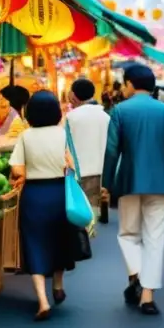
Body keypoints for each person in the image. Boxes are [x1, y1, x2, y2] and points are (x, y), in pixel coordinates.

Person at [103, 63, 164, 316]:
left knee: (128, 233)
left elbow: (111, 150)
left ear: (129, 84)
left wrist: (106, 183)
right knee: (155, 236)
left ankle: (136, 274)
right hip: (161, 183)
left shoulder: (120, 111)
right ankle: (147, 296)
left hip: (129, 180)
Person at [9, 90, 75, 321]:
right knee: (59, 238)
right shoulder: (62, 134)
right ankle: (57, 285)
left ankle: (42, 300)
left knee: (34, 243)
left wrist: (25, 172)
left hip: (34, 195)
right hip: (59, 193)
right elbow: (72, 165)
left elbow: (17, 169)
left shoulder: (26, 136)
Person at [64, 78, 110, 225]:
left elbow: (66, 144)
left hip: (79, 170)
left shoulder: (71, 117)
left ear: (74, 95)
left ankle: (84, 241)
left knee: (81, 210)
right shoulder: (106, 116)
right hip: (101, 169)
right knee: (94, 210)